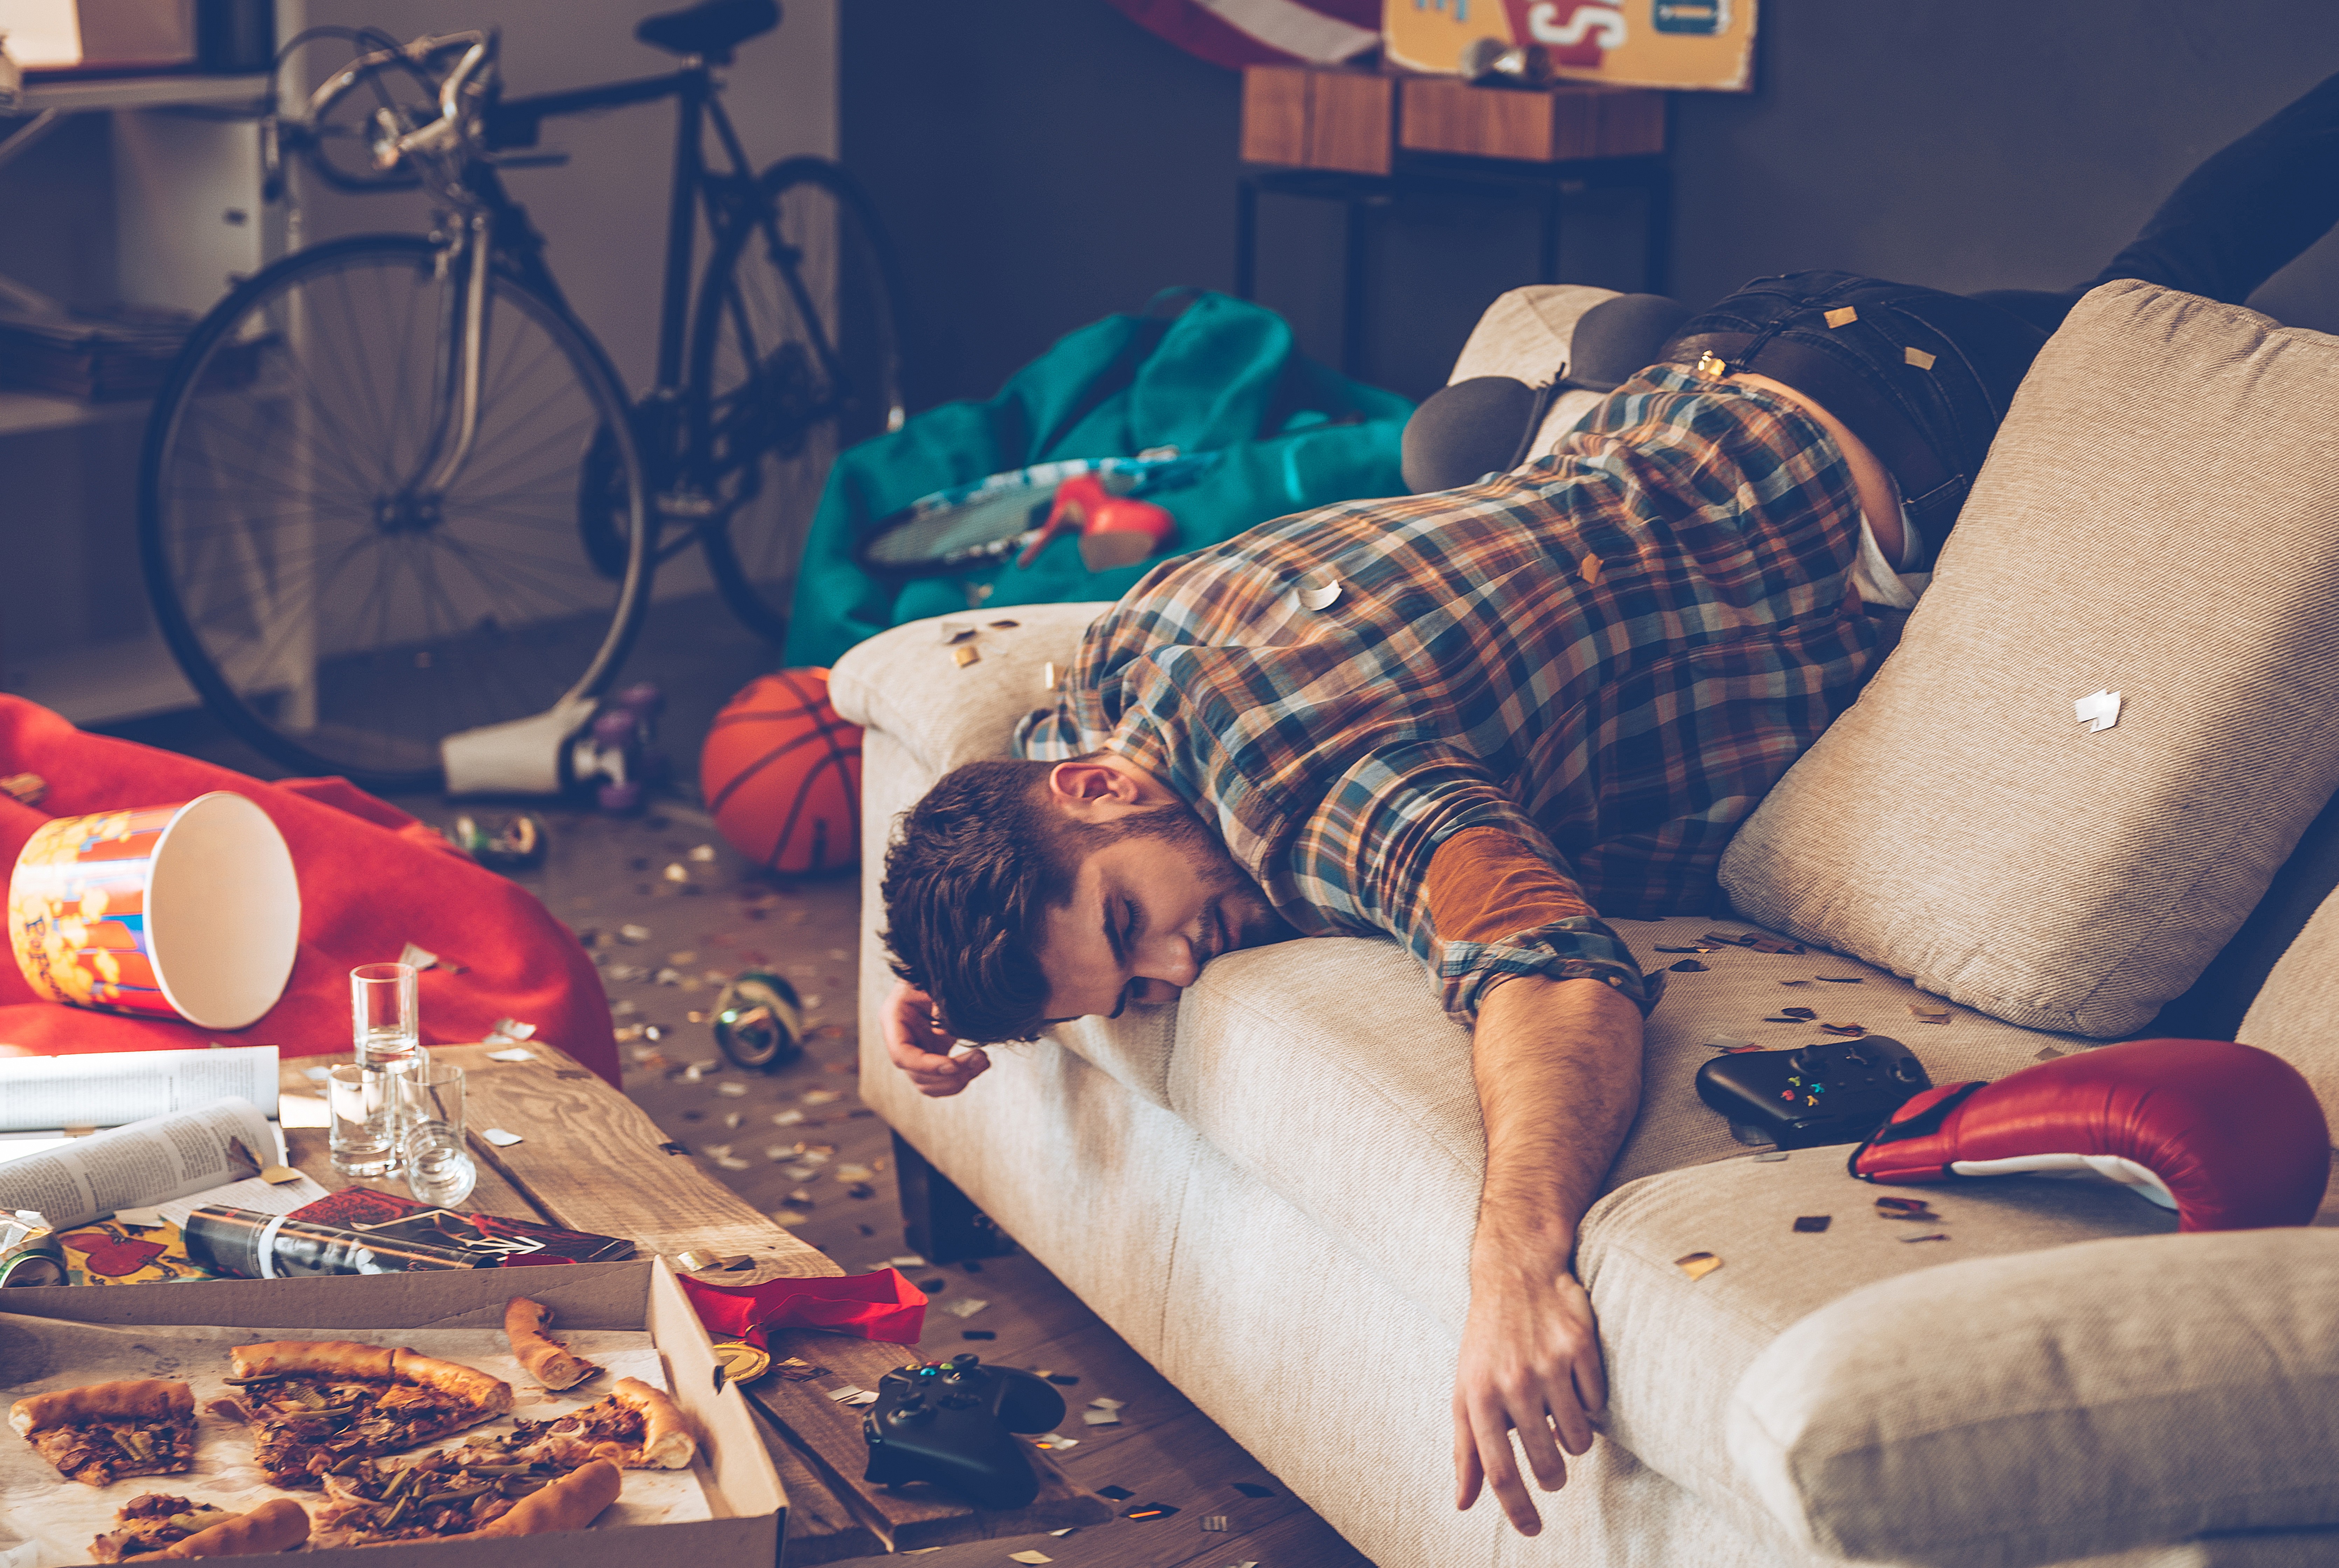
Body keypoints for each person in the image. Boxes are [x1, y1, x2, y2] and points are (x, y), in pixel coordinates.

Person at [874, 69, 2339, 1539]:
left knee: (2157, 315)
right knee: (2128, 295)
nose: (1173, 970)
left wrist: (1513, 1258)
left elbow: (1552, 972)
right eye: (1119, 984)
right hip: (1724, 373)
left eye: (1131, 924)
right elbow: (1016, 761)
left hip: (1896, 421)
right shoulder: (1132, 657)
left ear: (1100, 789)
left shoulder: (1303, 778)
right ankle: (1561, 431)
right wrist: (954, 974)